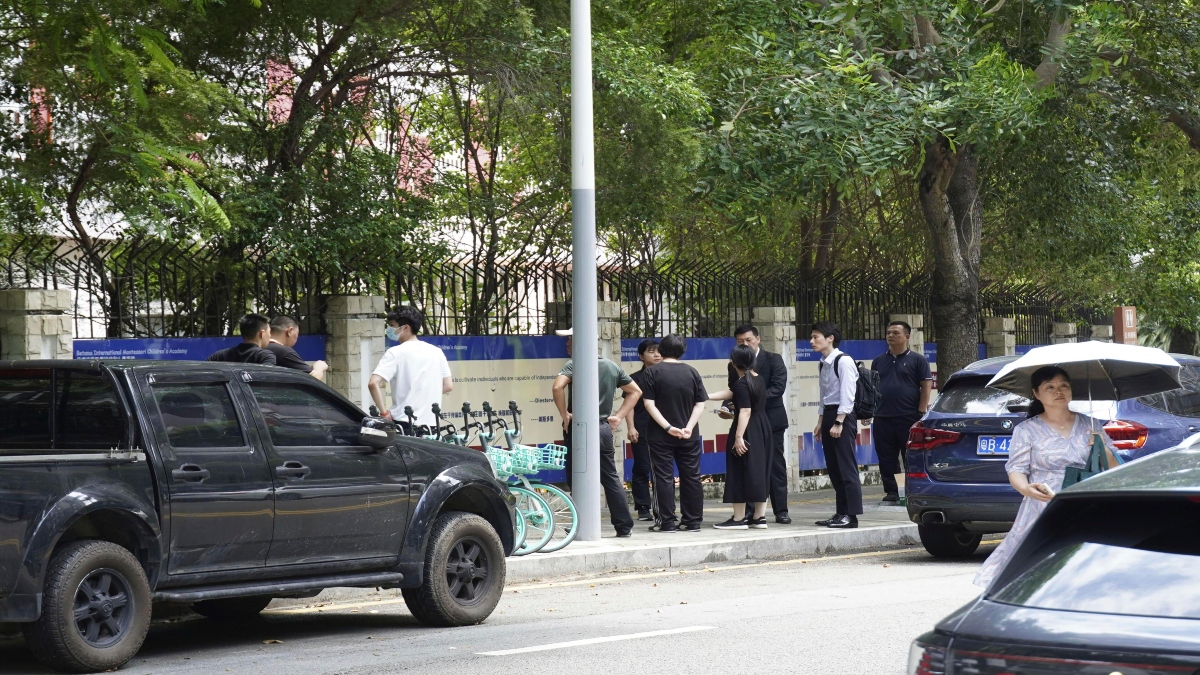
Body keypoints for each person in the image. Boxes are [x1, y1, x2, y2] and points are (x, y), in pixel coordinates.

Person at [974, 366, 1120, 587]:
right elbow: (1016, 469)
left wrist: (1101, 444)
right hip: (1043, 504)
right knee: (1038, 569)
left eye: (1063, 385)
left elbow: (1113, 467)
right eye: (1049, 387)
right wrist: (1026, 489)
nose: (1058, 390)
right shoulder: (1027, 430)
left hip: (1082, 503)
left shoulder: (1091, 424)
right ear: (1036, 393)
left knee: (1081, 565)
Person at [551, 327, 641, 538]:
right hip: (603, 427)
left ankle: (579, 526)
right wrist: (618, 416)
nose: (568, 344)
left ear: (582, 343)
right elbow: (635, 392)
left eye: (571, 340)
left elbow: (557, 388)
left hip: (580, 427)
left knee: (577, 477)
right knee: (610, 477)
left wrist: (565, 415)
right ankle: (624, 526)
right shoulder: (611, 366)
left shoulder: (574, 364)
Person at [720, 325, 791, 523]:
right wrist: (728, 407)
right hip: (747, 423)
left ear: (758, 339)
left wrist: (753, 400)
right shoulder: (732, 364)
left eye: (749, 340)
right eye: (740, 341)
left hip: (771, 420)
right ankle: (749, 513)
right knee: (747, 466)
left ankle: (781, 510)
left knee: (774, 465)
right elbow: (735, 390)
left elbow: (778, 388)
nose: (745, 344)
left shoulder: (773, 359)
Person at [641, 334, 708, 533]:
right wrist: (688, 426)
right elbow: (700, 403)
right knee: (692, 476)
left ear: (660, 350)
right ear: (683, 351)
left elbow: (648, 404)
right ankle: (692, 521)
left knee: (663, 477)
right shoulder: (692, 372)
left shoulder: (652, 372)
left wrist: (668, 427)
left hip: (659, 435)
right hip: (690, 434)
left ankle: (667, 522)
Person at [708, 344, 773, 529]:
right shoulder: (757, 379)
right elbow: (733, 393)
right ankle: (759, 518)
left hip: (748, 429)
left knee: (738, 471)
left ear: (734, 363)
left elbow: (745, 411)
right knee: (760, 470)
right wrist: (705, 395)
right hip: (762, 428)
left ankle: (738, 519)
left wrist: (738, 437)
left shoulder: (742, 382)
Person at [870, 321, 933, 503]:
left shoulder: (917, 360)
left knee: (909, 456)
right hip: (883, 416)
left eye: (896, 333)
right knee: (886, 457)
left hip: (908, 416)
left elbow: (926, 385)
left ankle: (913, 490)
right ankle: (893, 491)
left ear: (906, 336)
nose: (891, 336)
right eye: (888, 332)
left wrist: (921, 409)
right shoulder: (879, 360)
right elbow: (873, 387)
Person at [367, 306, 453, 434]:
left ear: (406, 328)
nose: (389, 329)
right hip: (432, 424)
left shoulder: (395, 353)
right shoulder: (436, 352)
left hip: (404, 423)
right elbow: (448, 386)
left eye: (392, 325)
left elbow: (373, 383)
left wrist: (384, 413)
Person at [811, 321, 863, 529]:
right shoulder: (824, 362)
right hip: (830, 414)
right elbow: (824, 395)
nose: (812, 341)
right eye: (812, 337)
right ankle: (841, 512)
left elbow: (847, 395)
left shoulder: (843, 361)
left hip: (843, 415)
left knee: (846, 466)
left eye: (816, 337)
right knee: (834, 467)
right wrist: (821, 421)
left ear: (830, 338)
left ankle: (851, 515)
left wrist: (839, 422)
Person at [625, 339, 661, 521]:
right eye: (652, 351)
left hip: (663, 430)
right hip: (641, 428)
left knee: (662, 469)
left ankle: (661, 506)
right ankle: (643, 507)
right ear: (641, 356)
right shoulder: (634, 379)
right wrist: (631, 427)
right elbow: (629, 405)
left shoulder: (665, 376)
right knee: (642, 467)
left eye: (659, 351)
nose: (657, 355)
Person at [267, 315, 329, 381]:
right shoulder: (284, 352)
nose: (296, 339)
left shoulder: (258, 347)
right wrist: (319, 367)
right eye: (297, 334)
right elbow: (312, 379)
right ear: (289, 331)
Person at [207, 313, 277, 365]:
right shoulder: (265, 357)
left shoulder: (219, 356)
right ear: (262, 333)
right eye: (269, 332)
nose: (270, 335)